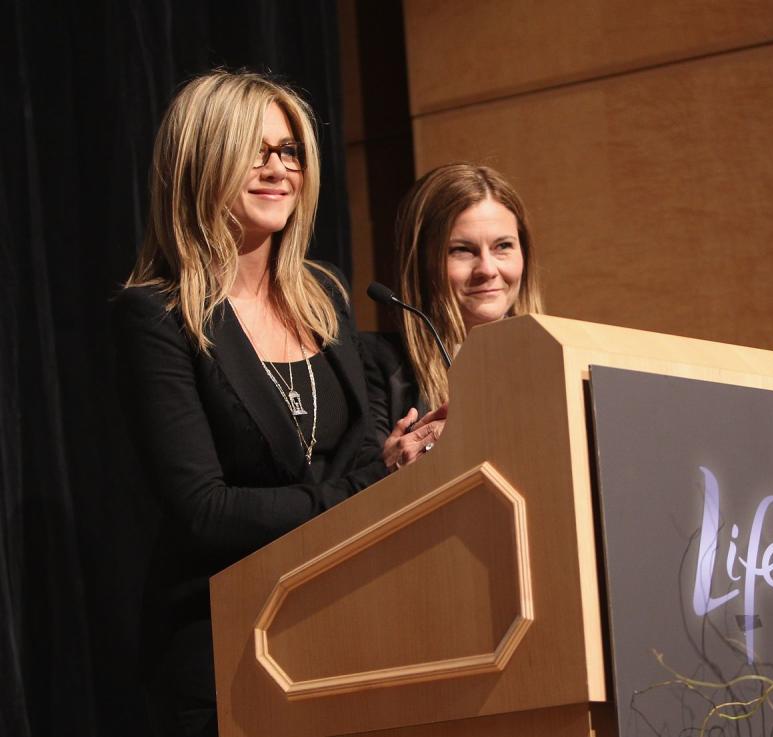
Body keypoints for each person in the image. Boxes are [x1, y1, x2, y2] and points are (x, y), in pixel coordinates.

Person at [113, 70, 393, 737]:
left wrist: (396, 459)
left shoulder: (323, 298)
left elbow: (357, 453)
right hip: (222, 656)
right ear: (200, 160)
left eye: (289, 150)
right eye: (253, 150)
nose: (278, 168)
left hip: (342, 631)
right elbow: (205, 511)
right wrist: (364, 488)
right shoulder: (156, 315)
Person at [365, 162, 544, 469]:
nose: (488, 269)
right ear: (423, 261)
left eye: (503, 246)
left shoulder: (554, 358)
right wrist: (390, 472)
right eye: (462, 250)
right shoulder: (373, 366)